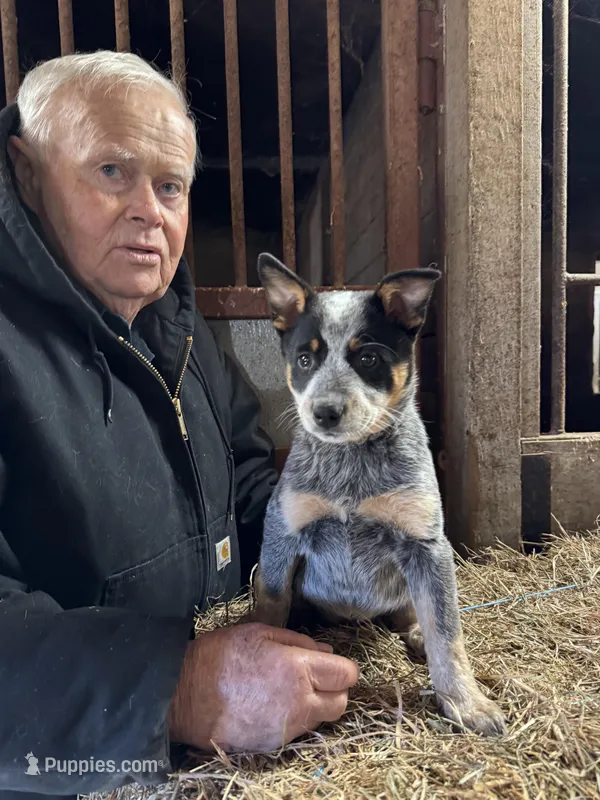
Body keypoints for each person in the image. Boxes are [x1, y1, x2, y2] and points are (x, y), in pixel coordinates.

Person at [0, 52, 359, 800]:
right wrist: (178, 688)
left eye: (170, 186)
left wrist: (330, 551)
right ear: (27, 172)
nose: (149, 211)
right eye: (111, 173)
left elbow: (249, 480)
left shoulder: (176, 331)